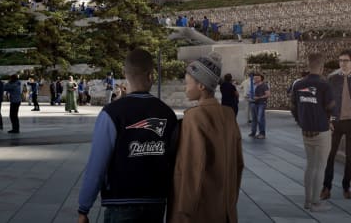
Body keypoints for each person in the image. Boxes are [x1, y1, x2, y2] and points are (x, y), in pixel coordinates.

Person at [76, 48, 179, 223]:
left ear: (125, 75)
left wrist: (83, 208)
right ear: (151, 76)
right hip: (156, 202)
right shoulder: (167, 114)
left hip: (120, 202)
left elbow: (97, 163)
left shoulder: (111, 113)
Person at [170, 54, 243, 223]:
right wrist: (231, 203)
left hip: (199, 210)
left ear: (201, 85)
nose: (185, 88)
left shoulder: (194, 117)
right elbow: (238, 163)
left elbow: (192, 166)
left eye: (187, 83)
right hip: (224, 208)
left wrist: (184, 210)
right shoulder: (228, 115)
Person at [290, 51, 335, 212]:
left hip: (306, 130)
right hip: (322, 130)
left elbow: (293, 107)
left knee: (310, 166)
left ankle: (308, 201)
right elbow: (331, 107)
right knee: (320, 167)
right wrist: (330, 120)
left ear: (309, 66)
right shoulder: (325, 85)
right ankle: (316, 203)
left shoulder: (298, 85)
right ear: (322, 67)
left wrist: (300, 121)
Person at [322, 47, 351, 202]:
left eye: (345, 60)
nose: (342, 63)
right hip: (336, 122)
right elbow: (326, 101)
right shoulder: (332, 78)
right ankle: (326, 187)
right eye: (340, 60)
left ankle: (346, 187)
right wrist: (328, 120)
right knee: (330, 156)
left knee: (350, 157)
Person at [248, 72, 269, 139]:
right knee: (254, 119)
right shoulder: (252, 85)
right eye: (255, 77)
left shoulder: (264, 85)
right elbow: (249, 93)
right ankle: (253, 132)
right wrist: (250, 97)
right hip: (253, 103)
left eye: (257, 77)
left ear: (261, 78)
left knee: (260, 119)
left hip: (261, 103)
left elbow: (268, 94)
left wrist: (259, 98)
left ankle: (262, 133)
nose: (255, 78)